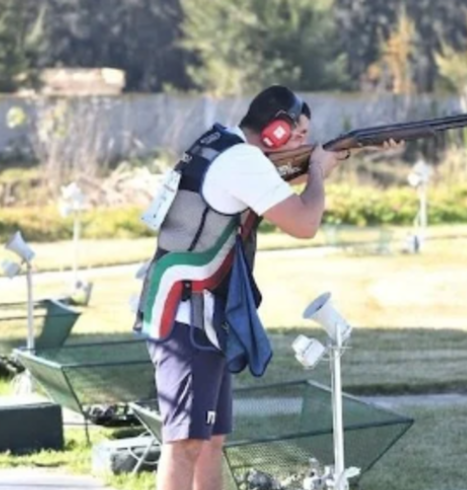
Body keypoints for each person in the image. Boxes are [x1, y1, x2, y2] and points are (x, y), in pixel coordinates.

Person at [132, 85, 348, 490]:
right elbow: (305, 223)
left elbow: (275, 184)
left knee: (210, 442)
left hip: (199, 312)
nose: (303, 143)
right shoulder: (243, 160)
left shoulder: (224, 144)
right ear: (276, 132)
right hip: (188, 314)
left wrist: (349, 153)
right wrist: (318, 171)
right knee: (186, 444)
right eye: (299, 135)